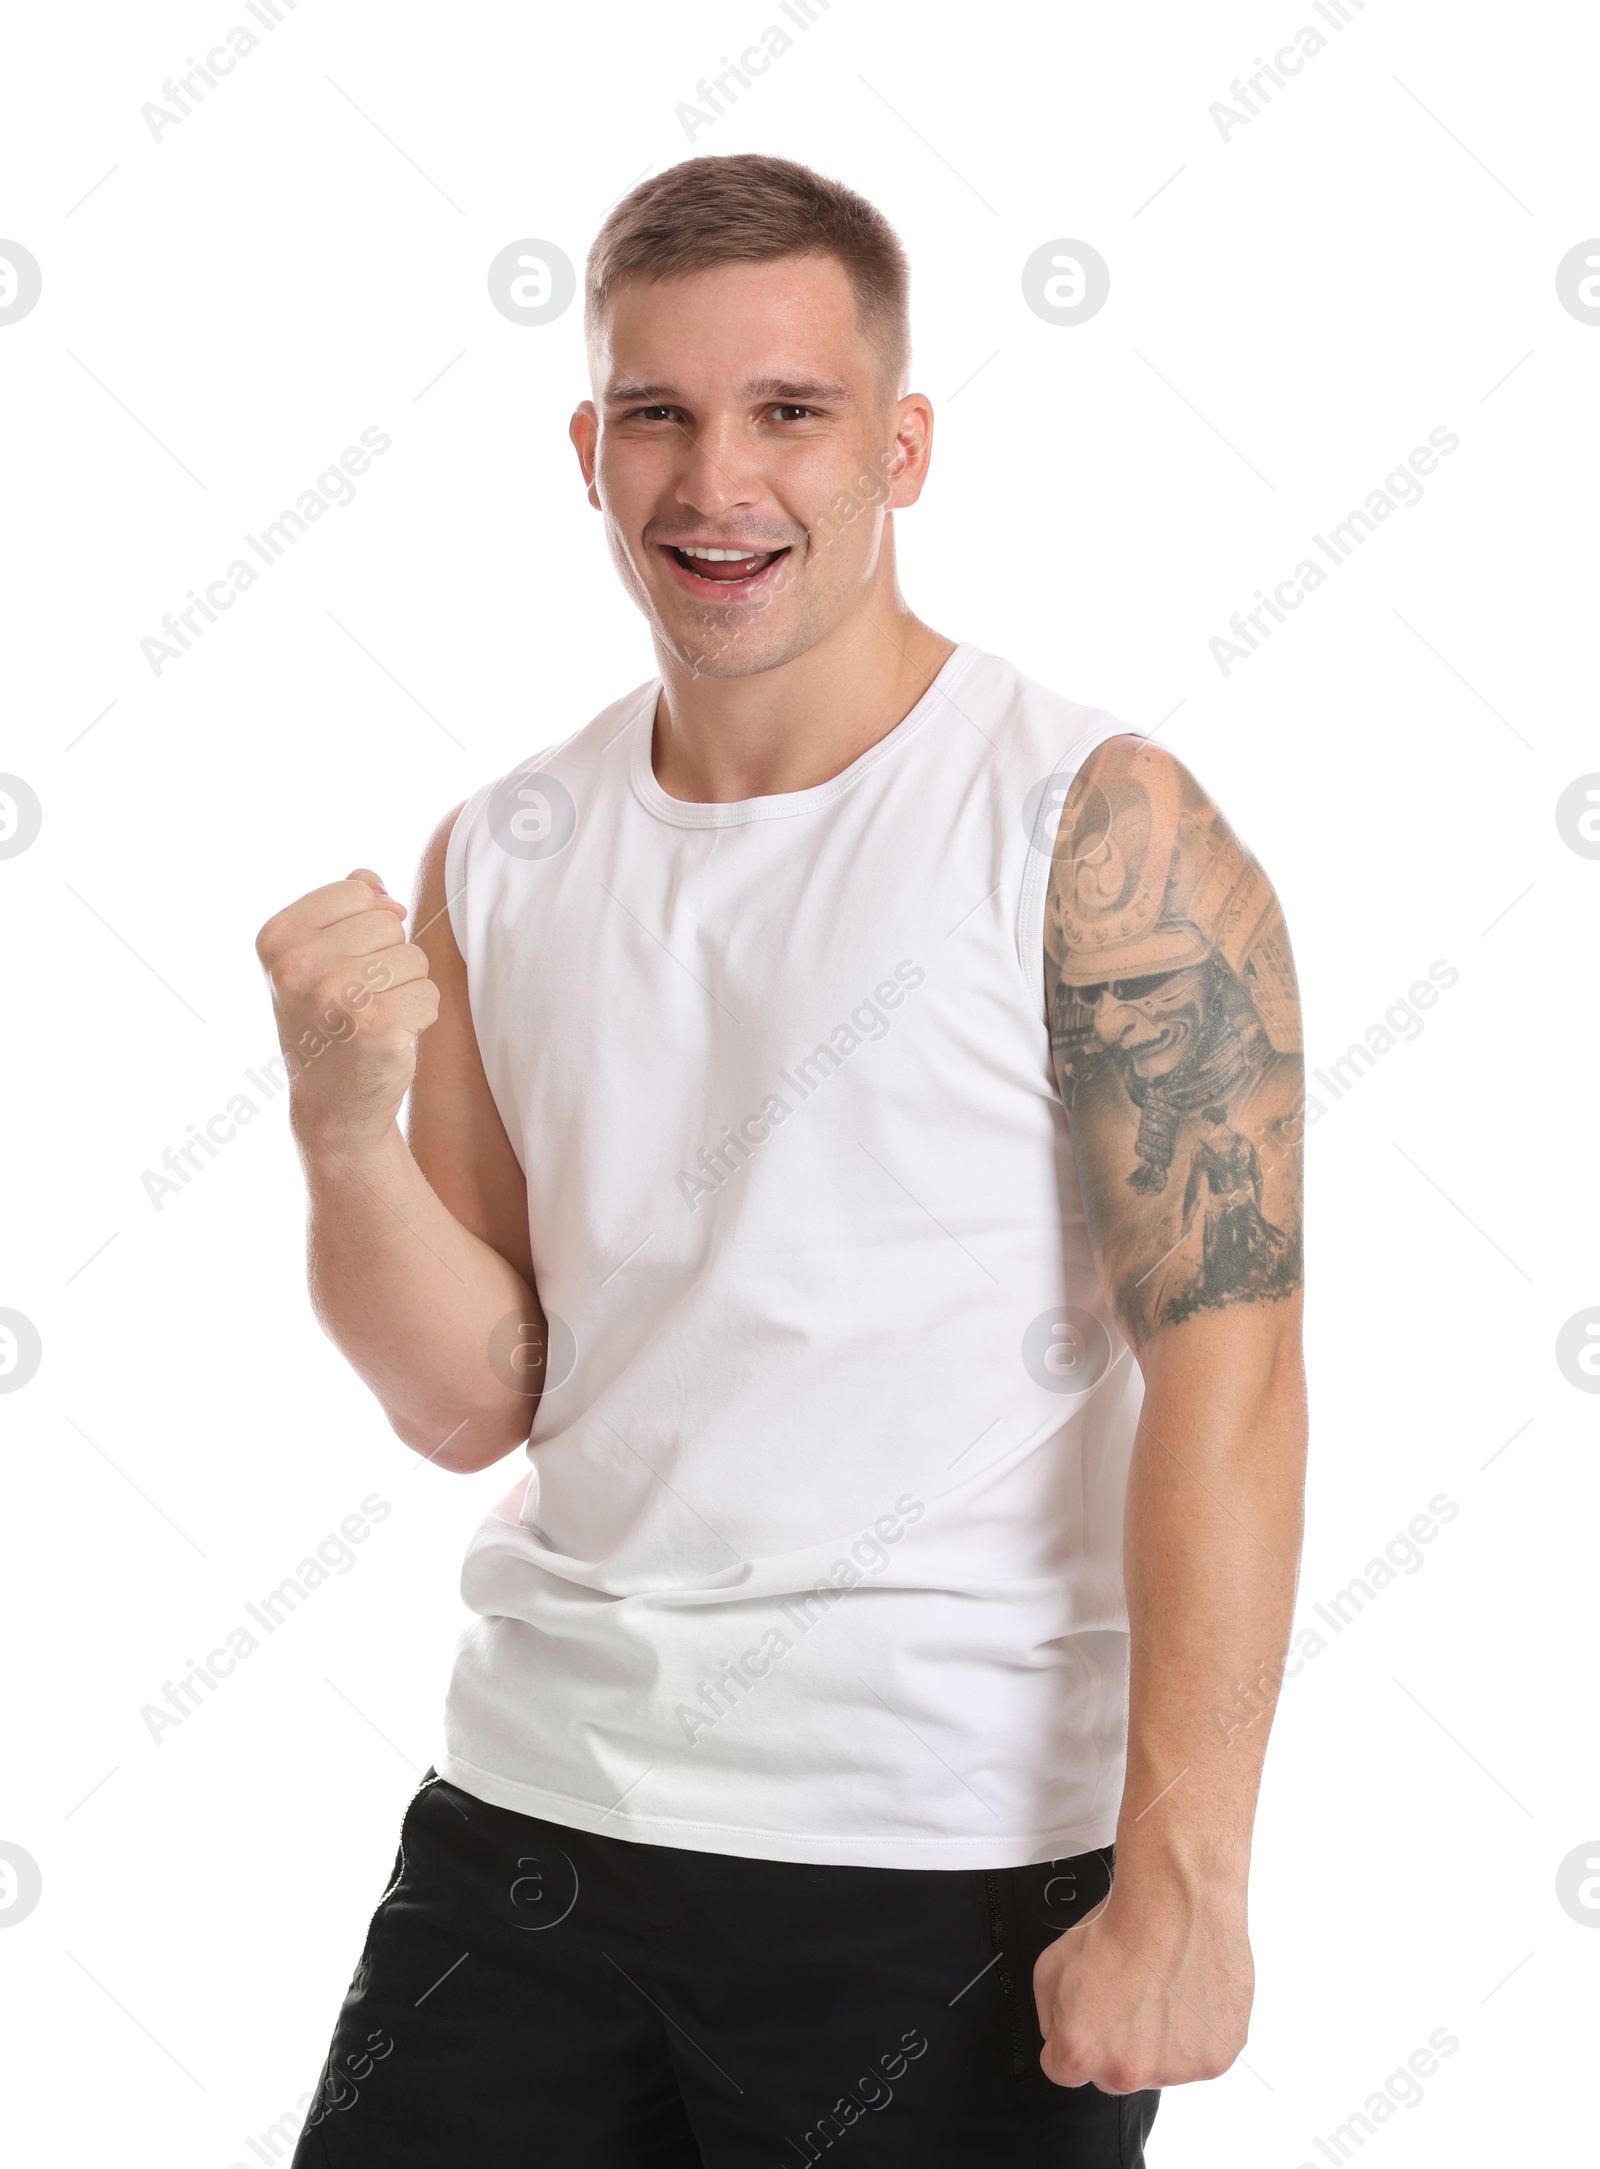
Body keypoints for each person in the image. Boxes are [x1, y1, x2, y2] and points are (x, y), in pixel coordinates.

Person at [259, 151, 1307, 2168]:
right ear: (585, 447)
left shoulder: (1094, 824)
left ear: (898, 446)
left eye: (786, 412)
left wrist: (1185, 1871)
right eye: (654, 412)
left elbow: (1232, 1370)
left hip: (936, 1858)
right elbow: (473, 1391)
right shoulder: (505, 845)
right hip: (534, 1828)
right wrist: (332, 1128)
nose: (710, 477)